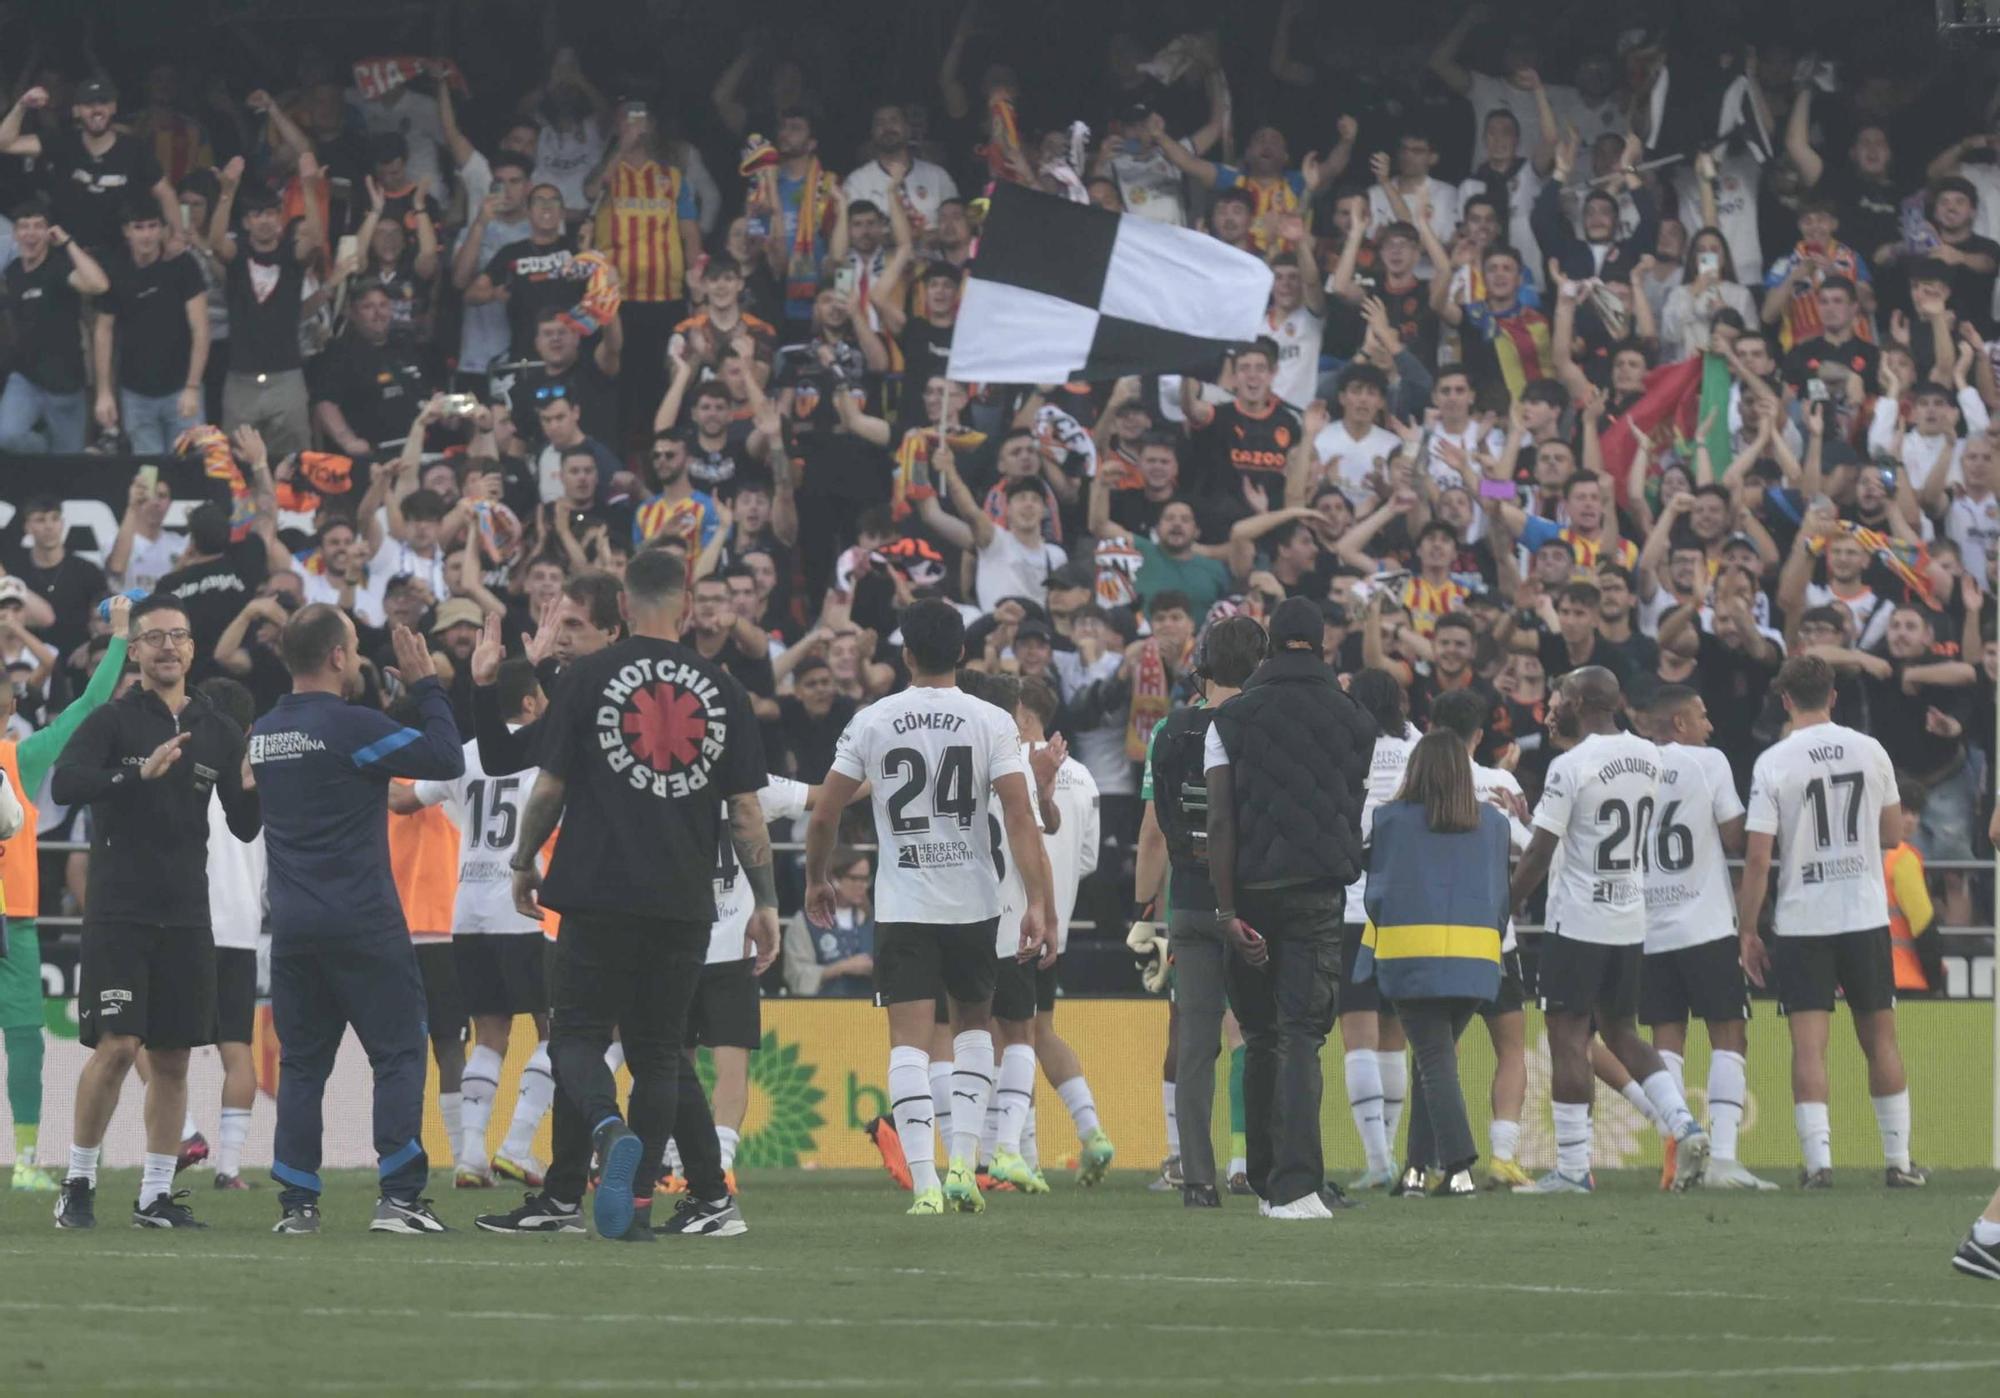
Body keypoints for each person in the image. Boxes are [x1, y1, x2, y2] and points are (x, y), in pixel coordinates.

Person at [500, 548, 773, 1243]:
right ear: (685, 606)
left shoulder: (587, 677)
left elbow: (551, 787)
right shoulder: (724, 691)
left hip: (595, 889)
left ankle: (603, 1125)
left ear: (622, 607)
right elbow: (745, 812)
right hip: (683, 898)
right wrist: (766, 901)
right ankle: (640, 1206)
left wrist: (524, 860)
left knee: (577, 1037)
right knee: (658, 1055)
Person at [804, 599, 1057, 1216]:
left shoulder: (873, 719)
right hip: (974, 904)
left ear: (906, 655)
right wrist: (1038, 904)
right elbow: (1021, 819)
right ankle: (965, 1169)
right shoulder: (992, 720)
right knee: (975, 1034)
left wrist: (816, 876)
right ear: (962, 654)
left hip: (904, 904)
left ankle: (925, 1185)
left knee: (909, 1047)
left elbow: (826, 810)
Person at [251, 605, 463, 1235]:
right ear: (339, 657)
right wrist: (427, 686)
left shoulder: (263, 732)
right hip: (364, 921)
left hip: (292, 926)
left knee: (302, 1065)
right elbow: (446, 759)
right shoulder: (350, 725)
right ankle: (399, 1199)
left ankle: (297, 1206)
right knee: (397, 1054)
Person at [49, 596, 261, 1230]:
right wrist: (136, 773)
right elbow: (65, 785)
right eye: (155, 638)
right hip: (119, 912)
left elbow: (246, 829)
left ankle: (155, 1197)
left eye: (179, 636)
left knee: (171, 1057)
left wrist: (253, 783)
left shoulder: (217, 728)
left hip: (188, 916)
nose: (168, 647)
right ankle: (80, 1181)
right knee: (118, 1047)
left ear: (193, 649)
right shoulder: (112, 721)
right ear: (135, 650)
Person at [1507, 666, 1710, 1195]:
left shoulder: (1570, 765)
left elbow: (1540, 852)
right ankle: (1684, 1123)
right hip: (1628, 917)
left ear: (1581, 701)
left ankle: (1573, 1169)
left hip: (1577, 919)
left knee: (1568, 1036)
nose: (1556, 701)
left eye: (1563, 693)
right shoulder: (1649, 754)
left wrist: (1502, 905)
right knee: (1622, 1032)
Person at [1205, 596, 1373, 1219]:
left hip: (1248, 890)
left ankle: (1267, 1178)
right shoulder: (1354, 718)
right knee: (1302, 1035)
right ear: (1323, 644)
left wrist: (1226, 912)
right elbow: (1347, 802)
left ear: (1271, 644)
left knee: (1260, 1035)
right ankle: (1297, 1187)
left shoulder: (1231, 719)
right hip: (1318, 892)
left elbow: (1221, 821)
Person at [1735, 654, 1926, 1189]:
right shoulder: (1870, 750)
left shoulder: (1774, 761)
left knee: (1809, 1043)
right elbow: (1892, 835)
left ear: (1786, 700)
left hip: (1802, 918)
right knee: (1881, 1039)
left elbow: (1757, 860)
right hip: (1862, 914)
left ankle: (1819, 1164)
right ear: (1834, 696)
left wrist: (1747, 930)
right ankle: (1899, 1162)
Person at [392, 658, 554, 1191]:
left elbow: (402, 799)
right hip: (524, 908)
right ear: (530, 702)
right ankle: (517, 1144)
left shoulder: (464, 755)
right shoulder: (542, 755)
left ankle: (469, 1155)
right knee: (561, 1029)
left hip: (467, 912)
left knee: (488, 1034)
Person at [0, 596, 128, 1192]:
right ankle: (26, 1161)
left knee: (25, 1041)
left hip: (17, 924)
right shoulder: (21, 758)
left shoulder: (20, 759)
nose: (12, 702)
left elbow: (90, 703)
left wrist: (120, 640)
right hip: (15, 924)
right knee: (26, 1042)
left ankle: (26, 1160)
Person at [1355, 730, 1512, 1198]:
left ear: (1416, 769)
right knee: (1434, 1061)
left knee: (1434, 1060)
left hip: (1412, 959)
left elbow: (1377, 893)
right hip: (1479, 960)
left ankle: (1459, 1167)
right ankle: (1416, 1171)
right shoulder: (1495, 823)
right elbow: (1501, 899)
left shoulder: (1389, 820)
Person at [1636, 686, 1776, 1191]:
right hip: (1707, 923)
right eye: (1701, 715)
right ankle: (1723, 1159)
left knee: (1665, 1044)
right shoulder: (1707, 762)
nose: (1710, 725)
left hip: (1650, 928)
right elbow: (1737, 838)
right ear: (1678, 723)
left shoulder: (1633, 764)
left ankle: (1677, 1155)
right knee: (1729, 1036)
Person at [1147, 615, 1266, 1207]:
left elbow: (1161, 819)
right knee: (1270, 1038)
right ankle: (1271, 1166)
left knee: (1195, 1045)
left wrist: (1180, 864)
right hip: (1252, 901)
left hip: (1190, 898)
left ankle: (1198, 1179)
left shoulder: (1168, 731)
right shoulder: (1263, 727)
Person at [1426, 688, 1534, 1189]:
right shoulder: (1497, 782)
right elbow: (1530, 847)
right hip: (1493, 939)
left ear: (1430, 727)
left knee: (1435, 1054)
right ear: (1478, 735)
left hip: (1428, 935)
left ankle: (1424, 1160)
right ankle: (1502, 1158)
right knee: (1510, 1047)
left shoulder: (1416, 781)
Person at [1339, 669, 1417, 1193]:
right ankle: (1386, 1151)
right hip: (1408, 906)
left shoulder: (1345, 743)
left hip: (1351, 903)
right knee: (1393, 1034)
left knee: (1358, 1035)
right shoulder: (1419, 748)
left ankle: (1378, 1157)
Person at [209, 155, 327, 458]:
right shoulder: (238, 255)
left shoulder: (291, 255)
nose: (264, 220)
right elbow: (216, 242)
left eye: (272, 213)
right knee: (236, 462)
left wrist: (310, 188)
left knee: (296, 460)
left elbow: (314, 239)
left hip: (286, 376)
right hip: (241, 380)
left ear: (280, 218)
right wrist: (227, 192)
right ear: (247, 222)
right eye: (256, 214)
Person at [196, 676, 264, 1190]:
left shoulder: (185, 769)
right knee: (236, 1047)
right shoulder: (260, 778)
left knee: (145, 1040)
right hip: (241, 926)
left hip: (188, 922)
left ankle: (182, 1133)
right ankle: (229, 1168)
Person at [93, 200, 208, 453]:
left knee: (188, 471)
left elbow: (200, 330)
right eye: (139, 227)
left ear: (163, 230)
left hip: (181, 389)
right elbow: (103, 330)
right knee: (148, 475)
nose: (146, 234)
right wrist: (104, 391)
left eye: (152, 226)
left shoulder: (183, 265)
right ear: (127, 231)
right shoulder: (115, 268)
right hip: (135, 393)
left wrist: (192, 386)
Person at [0, 198, 110, 453]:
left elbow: (99, 285)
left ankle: (53, 456)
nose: (30, 233)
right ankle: (44, 449)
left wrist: (68, 243)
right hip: (25, 379)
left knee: (68, 462)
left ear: (49, 233)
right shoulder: (13, 271)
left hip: (65, 385)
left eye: (38, 226)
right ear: (15, 234)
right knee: (6, 437)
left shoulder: (61, 267)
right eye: (24, 227)